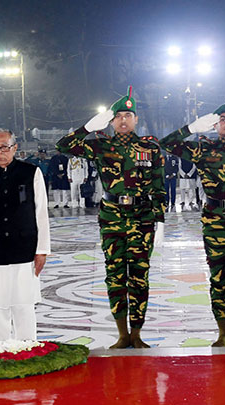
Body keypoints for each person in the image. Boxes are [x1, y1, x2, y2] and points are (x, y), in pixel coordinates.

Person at [56, 86, 165, 348]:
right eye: (118, 116)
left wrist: (160, 220)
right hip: (112, 217)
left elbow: (158, 186)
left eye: (128, 115)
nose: (123, 120)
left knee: (139, 275)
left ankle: (137, 333)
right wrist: (88, 127)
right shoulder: (100, 145)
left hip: (142, 217)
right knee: (115, 275)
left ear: (136, 119)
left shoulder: (149, 148)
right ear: (111, 120)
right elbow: (63, 146)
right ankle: (121, 334)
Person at [161, 90, 225, 347]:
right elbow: (166, 143)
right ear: (215, 124)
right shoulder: (202, 148)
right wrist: (192, 127)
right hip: (214, 220)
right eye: (223, 119)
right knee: (218, 277)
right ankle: (221, 332)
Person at [0, 128, 50, 341]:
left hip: (25, 248)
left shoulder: (31, 172)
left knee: (24, 304)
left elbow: (41, 213)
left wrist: (42, 250)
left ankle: (27, 348)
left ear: (14, 148)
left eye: (4, 147)